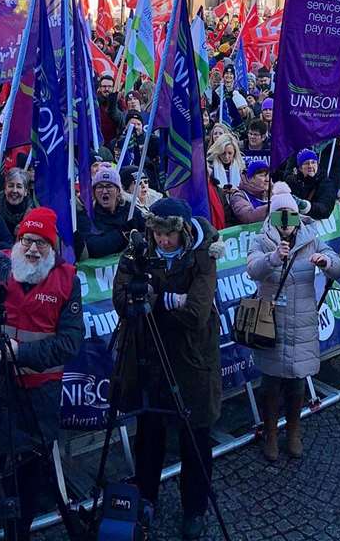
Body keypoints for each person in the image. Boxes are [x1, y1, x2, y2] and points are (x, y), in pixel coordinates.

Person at [0, 207, 83, 540]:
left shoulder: (68, 279)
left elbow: (70, 342)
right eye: (27, 240)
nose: (33, 249)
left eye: (41, 242)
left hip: (39, 397)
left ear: (53, 247)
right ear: (17, 241)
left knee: (28, 479)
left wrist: (21, 353)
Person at [112, 198, 221, 540]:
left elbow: (197, 313)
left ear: (184, 230)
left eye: (169, 234)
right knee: (149, 434)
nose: (163, 241)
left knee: (195, 436)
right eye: (158, 233)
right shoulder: (139, 251)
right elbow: (122, 300)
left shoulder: (203, 255)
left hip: (192, 359)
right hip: (149, 358)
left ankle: (195, 508)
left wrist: (155, 299)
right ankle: (146, 498)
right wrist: (174, 298)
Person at [245, 188, 340, 462]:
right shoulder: (260, 240)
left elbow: (339, 265)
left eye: (290, 216)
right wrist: (273, 257)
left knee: (298, 381)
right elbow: (252, 269)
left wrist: (326, 262)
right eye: (280, 216)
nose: (286, 223)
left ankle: (295, 431)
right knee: (271, 383)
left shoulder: (311, 239)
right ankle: (272, 433)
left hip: (301, 321)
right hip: (271, 323)